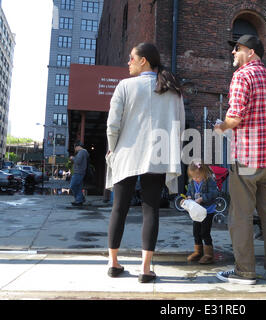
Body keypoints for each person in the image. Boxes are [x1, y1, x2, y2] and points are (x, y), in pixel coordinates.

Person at [105, 42, 185, 283]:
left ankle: (113, 262)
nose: (128, 62)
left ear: (144, 61)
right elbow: (180, 126)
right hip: (158, 155)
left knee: (119, 208)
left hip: (127, 153)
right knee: (151, 210)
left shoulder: (125, 86)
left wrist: (112, 149)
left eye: (132, 58)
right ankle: (145, 268)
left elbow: (112, 124)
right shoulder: (172, 90)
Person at [214, 35, 266, 285]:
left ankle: (244, 271)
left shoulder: (242, 76)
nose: (233, 53)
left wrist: (220, 128)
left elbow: (234, 118)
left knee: (241, 215)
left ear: (252, 52)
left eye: (237, 49)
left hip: (246, 158)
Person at [182, 160, 219, 264]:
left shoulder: (209, 181)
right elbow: (189, 192)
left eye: (198, 177)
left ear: (204, 173)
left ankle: (209, 255)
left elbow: (214, 193)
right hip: (196, 212)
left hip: (208, 211)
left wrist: (202, 198)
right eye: (193, 177)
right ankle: (198, 251)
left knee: (205, 232)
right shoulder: (192, 182)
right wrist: (188, 197)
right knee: (196, 232)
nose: (195, 179)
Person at [69, 141, 89, 206]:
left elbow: (78, 161)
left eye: (75, 148)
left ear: (78, 147)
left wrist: (72, 158)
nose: (75, 149)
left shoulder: (81, 152)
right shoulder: (84, 152)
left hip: (78, 172)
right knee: (79, 187)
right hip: (81, 172)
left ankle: (79, 199)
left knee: (73, 185)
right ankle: (80, 200)